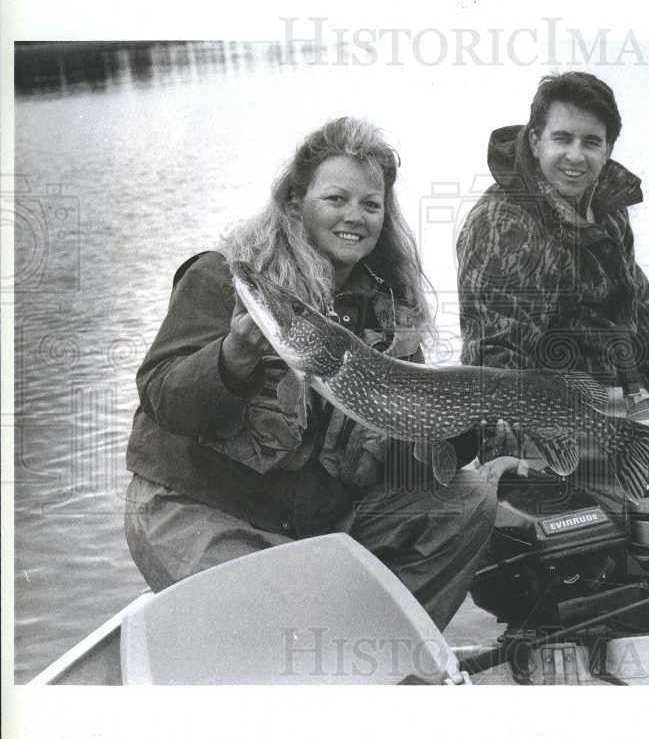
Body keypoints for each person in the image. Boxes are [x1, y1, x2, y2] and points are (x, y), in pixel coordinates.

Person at [125, 117, 497, 630]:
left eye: (371, 204)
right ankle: (310, 660)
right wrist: (232, 356)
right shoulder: (227, 276)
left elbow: (401, 453)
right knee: (280, 630)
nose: (356, 216)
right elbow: (162, 395)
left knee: (465, 501)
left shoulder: (385, 309)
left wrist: (461, 433)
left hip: (311, 517)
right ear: (296, 203)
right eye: (336, 199)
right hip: (199, 507)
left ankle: (379, 664)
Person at [456, 72, 649, 496]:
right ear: (535, 141)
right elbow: (495, 361)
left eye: (591, 142)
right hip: (547, 433)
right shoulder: (504, 223)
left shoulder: (605, 205)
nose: (575, 155)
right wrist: (503, 455)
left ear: (608, 148)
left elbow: (639, 316)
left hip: (619, 413)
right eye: (562, 138)